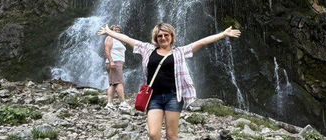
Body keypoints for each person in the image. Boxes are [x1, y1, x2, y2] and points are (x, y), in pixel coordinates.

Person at [98, 22, 241, 140]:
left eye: (166, 35)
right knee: (153, 133)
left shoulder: (179, 52)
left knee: (172, 136)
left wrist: (223, 34)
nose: (163, 38)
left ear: (172, 37)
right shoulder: (147, 49)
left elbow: (202, 43)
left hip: (174, 97)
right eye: (159, 35)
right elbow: (127, 38)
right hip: (153, 97)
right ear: (156, 38)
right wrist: (109, 32)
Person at [104, 25, 129, 110]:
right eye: (115, 29)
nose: (117, 30)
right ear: (111, 30)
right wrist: (111, 61)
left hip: (117, 62)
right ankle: (123, 103)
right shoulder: (110, 37)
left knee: (113, 84)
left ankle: (109, 104)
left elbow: (119, 52)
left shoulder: (119, 39)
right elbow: (107, 50)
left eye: (119, 29)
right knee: (119, 82)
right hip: (114, 62)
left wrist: (122, 63)